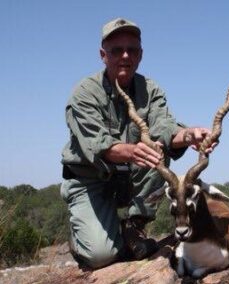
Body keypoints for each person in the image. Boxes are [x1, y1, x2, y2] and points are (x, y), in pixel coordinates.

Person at [61, 18, 214, 269]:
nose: (125, 56)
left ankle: (134, 226)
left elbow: (164, 128)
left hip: (129, 179)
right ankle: (82, 236)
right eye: (116, 50)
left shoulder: (150, 89)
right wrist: (131, 151)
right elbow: (97, 144)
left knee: (157, 149)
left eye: (132, 49)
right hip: (90, 180)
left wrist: (189, 135)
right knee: (101, 256)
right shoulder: (84, 92)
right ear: (103, 55)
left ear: (140, 54)